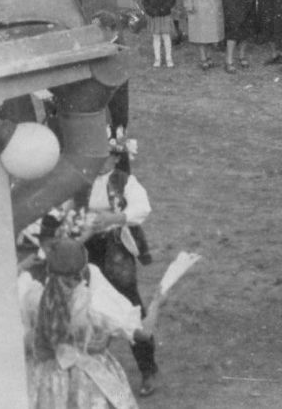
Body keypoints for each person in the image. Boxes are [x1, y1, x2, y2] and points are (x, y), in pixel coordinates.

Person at [19, 238, 161, 406]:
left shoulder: (32, 296)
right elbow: (143, 333)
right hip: (92, 374)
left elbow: (23, 342)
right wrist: (158, 300)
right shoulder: (92, 301)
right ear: (82, 270)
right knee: (119, 398)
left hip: (47, 379)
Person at [79, 152, 159, 396]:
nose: (100, 161)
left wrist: (115, 217)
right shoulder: (81, 178)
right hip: (84, 246)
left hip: (115, 247)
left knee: (130, 302)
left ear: (115, 158)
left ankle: (148, 369)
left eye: (106, 157)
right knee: (84, 301)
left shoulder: (125, 181)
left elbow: (142, 208)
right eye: (97, 156)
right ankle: (89, 371)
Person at [140, 0, 176, 68]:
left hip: (164, 14)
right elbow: (145, 0)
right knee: (156, 36)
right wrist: (149, 10)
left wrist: (165, 8)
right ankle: (157, 59)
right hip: (154, 14)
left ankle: (169, 59)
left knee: (166, 36)